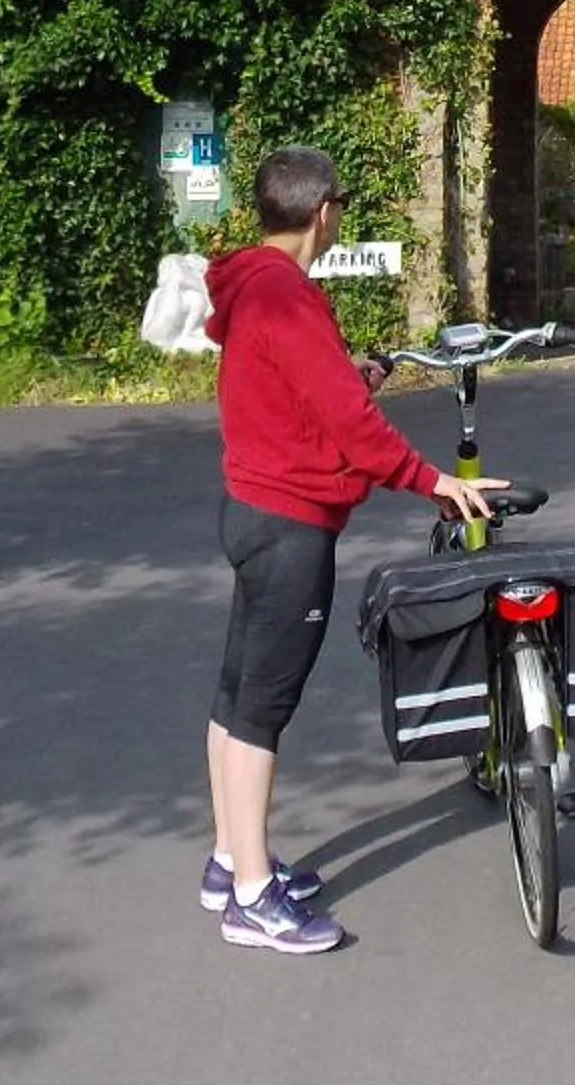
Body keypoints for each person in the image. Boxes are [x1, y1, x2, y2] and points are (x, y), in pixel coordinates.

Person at [200, 145, 500, 953]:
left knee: (236, 697)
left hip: (251, 510)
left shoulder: (250, 286)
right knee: (264, 712)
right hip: (291, 525)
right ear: (324, 211)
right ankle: (255, 901)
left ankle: (231, 860)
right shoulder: (289, 296)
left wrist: (347, 369)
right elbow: (353, 432)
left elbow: (294, 386)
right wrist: (433, 480)